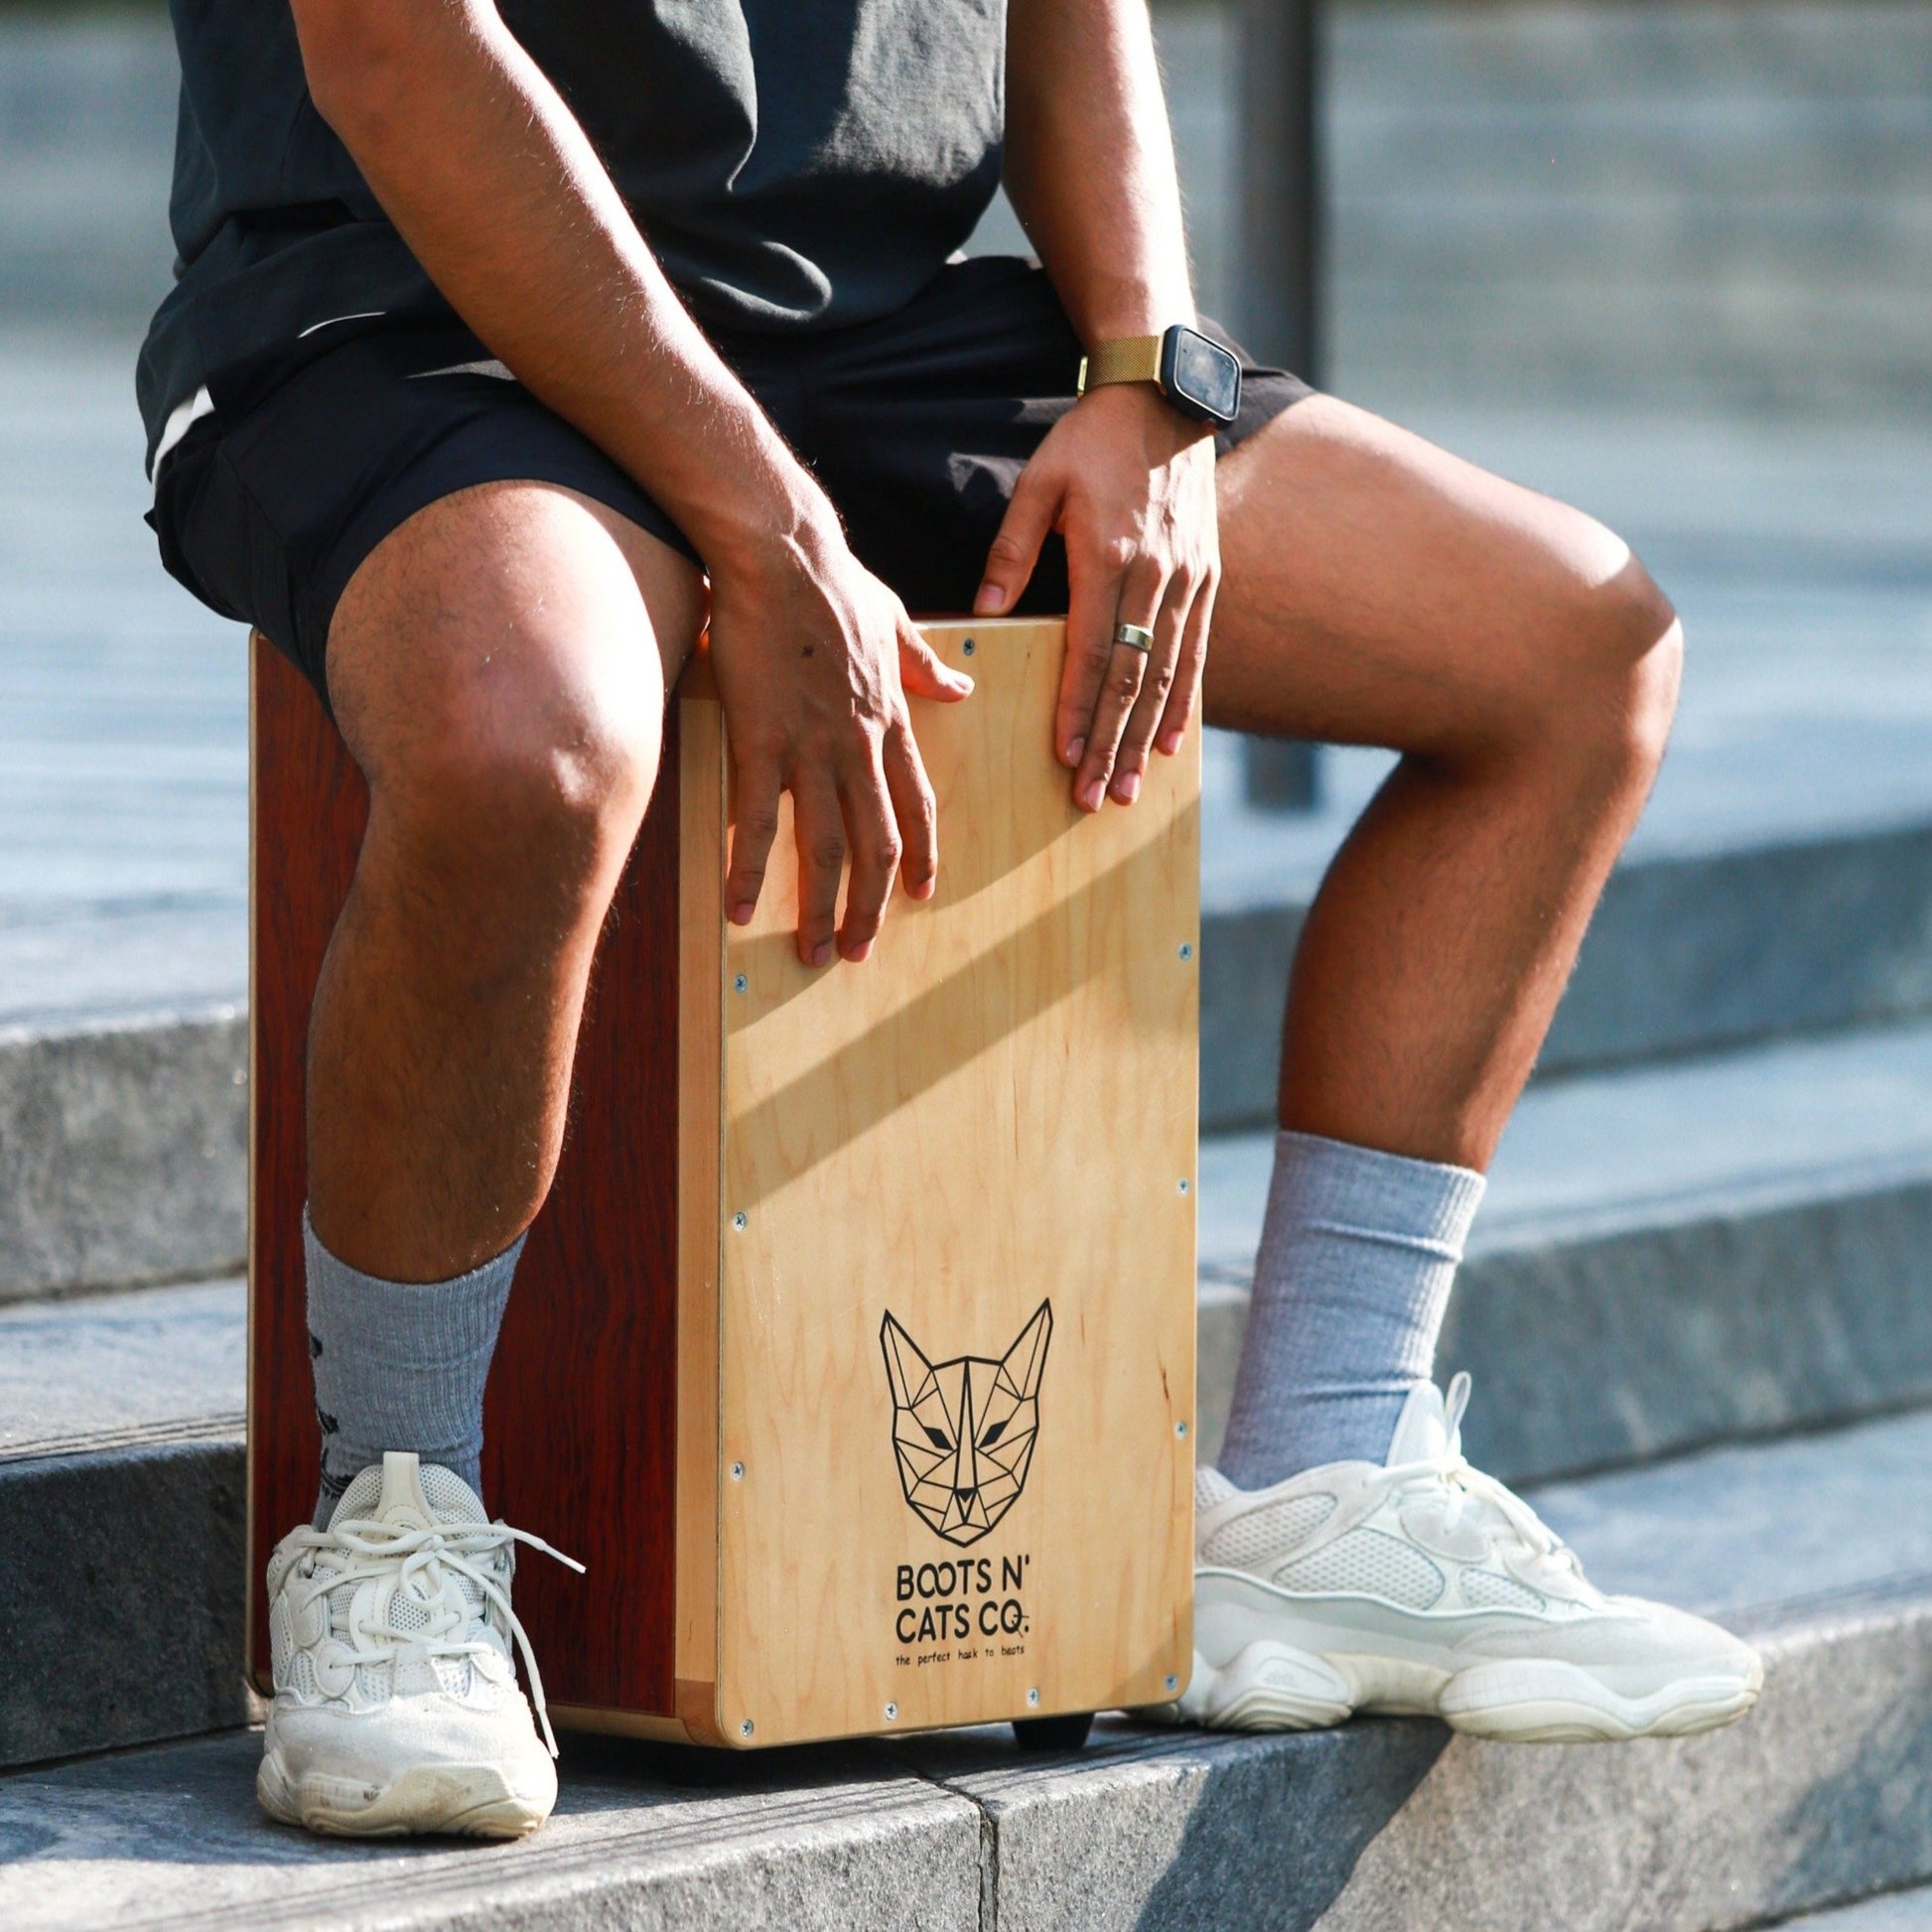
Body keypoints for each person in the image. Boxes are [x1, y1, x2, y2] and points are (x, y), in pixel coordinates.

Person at [140, 0, 1760, 1843]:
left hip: (873, 321)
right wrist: (768, 532)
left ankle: (1322, 1461)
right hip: (415, 304)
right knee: (533, 740)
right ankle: (393, 1528)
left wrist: (1148, 373)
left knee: (1568, 652)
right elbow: (389, 47)